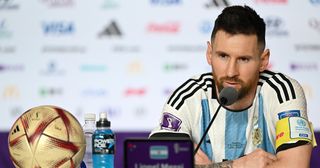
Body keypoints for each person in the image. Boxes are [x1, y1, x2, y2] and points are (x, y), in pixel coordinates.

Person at [149, 5, 317, 168]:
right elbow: (157, 164)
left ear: (263, 60)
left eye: (244, 59)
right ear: (209, 53)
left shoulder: (283, 92)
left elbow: (296, 165)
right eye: (223, 56)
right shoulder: (188, 97)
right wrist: (236, 166)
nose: (231, 72)